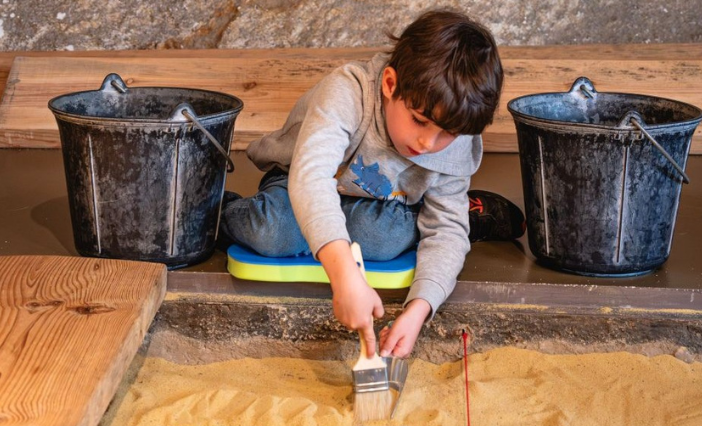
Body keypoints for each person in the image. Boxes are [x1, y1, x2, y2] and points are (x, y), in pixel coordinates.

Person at [220, 9, 519, 358]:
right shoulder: (347, 91)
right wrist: (344, 276)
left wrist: (418, 310)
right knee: (270, 231)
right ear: (390, 85)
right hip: (298, 181)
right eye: (419, 121)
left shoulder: (456, 131)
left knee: (385, 239)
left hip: (382, 202)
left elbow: (447, 231)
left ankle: (466, 210)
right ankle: (215, 212)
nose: (427, 144)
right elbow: (311, 179)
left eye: (447, 135)